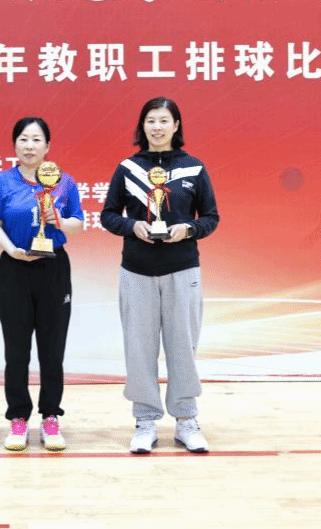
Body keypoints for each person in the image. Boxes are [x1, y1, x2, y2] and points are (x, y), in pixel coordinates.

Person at [100, 97, 220, 455]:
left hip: (182, 269)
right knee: (139, 348)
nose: (157, 127)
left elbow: (211, 217)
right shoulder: (128, 168)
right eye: (151, 120)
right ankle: (145, 421)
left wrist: (189, 229)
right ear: (143, 125)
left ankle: (186, 420)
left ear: (176, 125)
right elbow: (108, 215)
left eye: (164, 120)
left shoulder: (193, 168)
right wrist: (131, 225)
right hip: (136, 271)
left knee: (183, 346)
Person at [0, 117, 84, 452]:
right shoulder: (2, 182)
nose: (29, 146)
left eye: (37, 139)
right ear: (15, 144)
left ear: (48, 146)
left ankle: (51, 417)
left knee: (52, 350)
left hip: (54, 269)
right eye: (23, 139)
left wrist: (60, 219)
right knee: (16, 351)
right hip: (15, 268)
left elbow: (78, 224)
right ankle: (18, 418)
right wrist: (10, 249)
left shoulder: (64, 182)